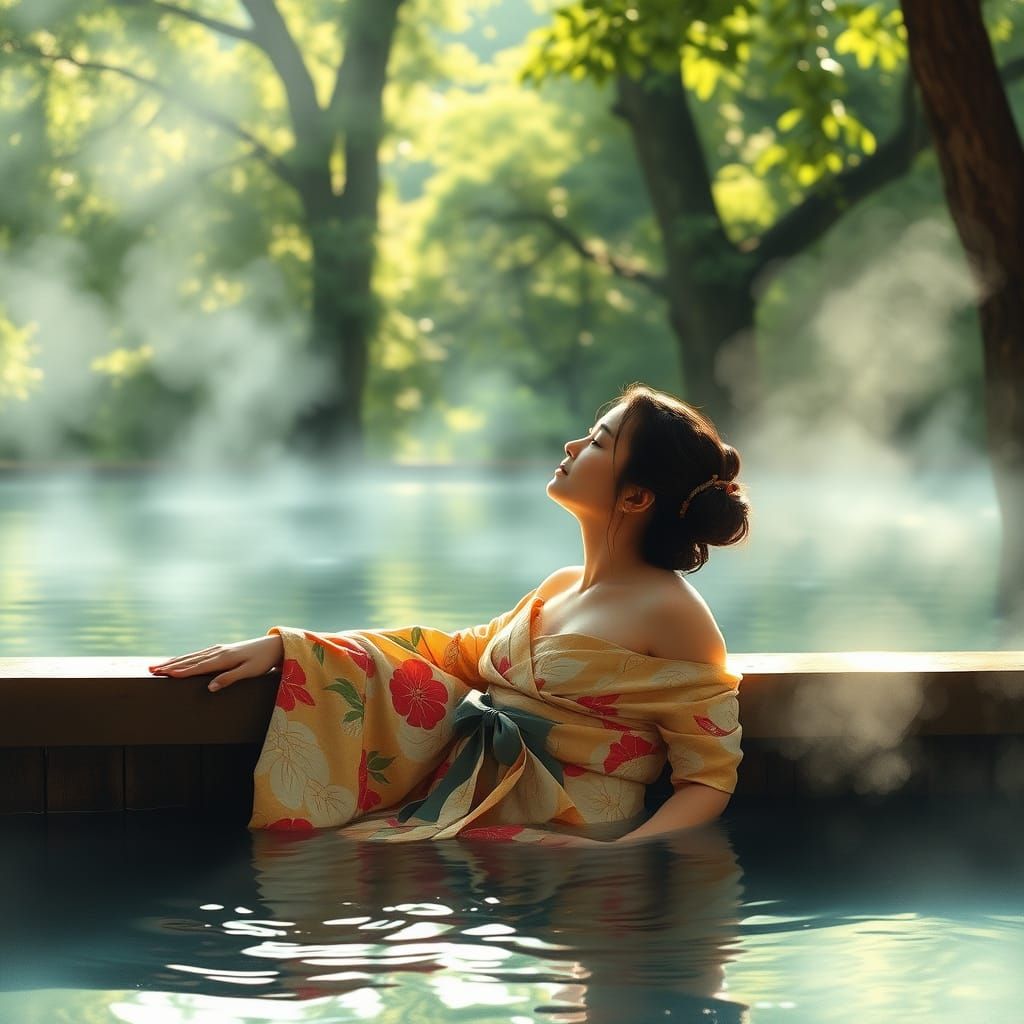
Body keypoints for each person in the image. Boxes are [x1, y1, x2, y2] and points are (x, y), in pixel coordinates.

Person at [149, 382, 751, 845]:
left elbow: (708, 777)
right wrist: (289, 648)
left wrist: (620, 856)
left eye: (597, 442)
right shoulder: (560, 586)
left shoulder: (675, 614)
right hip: (472, 817)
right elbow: (452, 655)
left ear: (636, 497)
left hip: (574, 847)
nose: (571, 446)